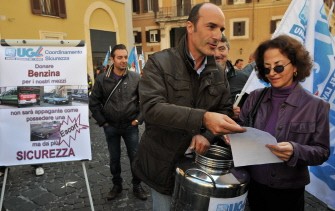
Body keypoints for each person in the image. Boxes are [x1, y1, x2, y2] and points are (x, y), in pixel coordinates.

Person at [132, 3, 246, 210]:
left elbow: (224, 109)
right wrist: (203, 118)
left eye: (221, 29)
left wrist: (207, 136)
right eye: (211, 26)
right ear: (190, 27)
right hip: (162, 163)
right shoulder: (159, 62)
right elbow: (152, 108)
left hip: (200, 168)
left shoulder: (218, 72)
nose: (218, 36)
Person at [238, 35, 330, 210]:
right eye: (266, 69)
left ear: (295, 66)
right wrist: (233, 135)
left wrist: (295, 151)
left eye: (278, 67)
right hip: (253, 186)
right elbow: (241, 129)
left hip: (289, 193)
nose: (272, 73)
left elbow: (322, 152)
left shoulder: (317, 106)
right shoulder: (255, 97)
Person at [89, 44, 147, 201]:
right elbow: (93, 103)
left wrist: (138, 120)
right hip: (111, 127)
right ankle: (117, 185)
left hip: (130, 126)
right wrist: (103, 123)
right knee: (114, 158)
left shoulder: (135, 77)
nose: (123, 60)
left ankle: (137, 185)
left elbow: (145, 101)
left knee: (135, 157)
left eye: (125, 57)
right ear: (112, 59)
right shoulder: (102, 79)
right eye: (119, 57)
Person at [214, 34, 249, 106]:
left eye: (221, 49)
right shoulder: (199, 78)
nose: (217, 54)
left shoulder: (243, 78)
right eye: (212, 49)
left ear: (228, 50)